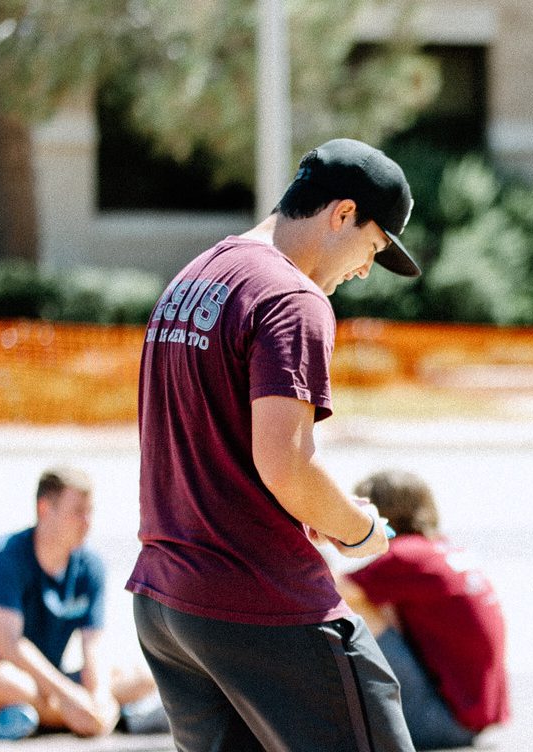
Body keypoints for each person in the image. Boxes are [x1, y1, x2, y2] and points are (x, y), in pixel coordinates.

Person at [127, 138, 422, 751]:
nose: (365, 270)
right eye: (372, 248)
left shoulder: (193, 278)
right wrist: (358, 529)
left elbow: (207, 441)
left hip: (168, 603)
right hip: (259, 600)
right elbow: (286, 463)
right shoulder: (293, 298)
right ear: (342, 214)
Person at [0, 467, 161, 739]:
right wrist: (71, 697)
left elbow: (93, 645)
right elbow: (9, 646)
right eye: (78, 512)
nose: (87, 522)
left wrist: (99, 697)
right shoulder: (1, 558)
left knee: (142, 676)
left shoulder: (90, 566)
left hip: (45, 682)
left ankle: (27, 719)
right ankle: (112, 717)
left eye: (90, 511)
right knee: (9, 681)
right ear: (45, 509)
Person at [334, 470, 511, 750]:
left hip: (443, 724)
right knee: (375, 601)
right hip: (471, 718)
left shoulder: (406, 555)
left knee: (354, 607)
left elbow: (329, 590)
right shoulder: (441, 549)